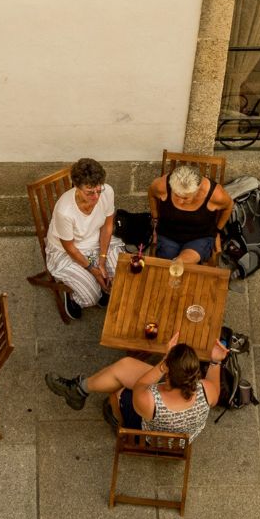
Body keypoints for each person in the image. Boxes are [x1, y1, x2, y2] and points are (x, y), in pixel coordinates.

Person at [44, 333, 224, 441]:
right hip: (183, 439)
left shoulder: (149, 400)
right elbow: (215, 383)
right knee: (126, 366)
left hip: (149, 437)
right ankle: (79, 389)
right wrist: (215, 360)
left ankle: (99, 406)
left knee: (120, 388)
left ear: (168, 373)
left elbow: (141, 385)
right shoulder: (207, 391)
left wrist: (163, 361)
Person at [45, 158, 122, 320]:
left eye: (98, 190)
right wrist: (93, 270)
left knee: (120, 277)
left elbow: (107, 226)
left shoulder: (107, 192)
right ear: (77, 187)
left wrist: (102, 259)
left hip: (95, 239)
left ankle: (97, 282)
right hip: (68, 251)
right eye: (89, 192)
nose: (96, 196)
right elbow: (70, 248)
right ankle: (71, 296)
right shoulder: (65, 212)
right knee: (91, 298)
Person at [148, 165, 233, 264]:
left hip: (199, 236)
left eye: (185, 198)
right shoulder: (161, 184)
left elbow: (229, 206)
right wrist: (155, 218)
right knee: (167, 260)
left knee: (181, 262)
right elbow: (152, 193)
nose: (180, 201)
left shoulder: (216, 195)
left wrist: (218, 230)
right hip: (168, 234)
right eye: (176, 194)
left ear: (198, 189)